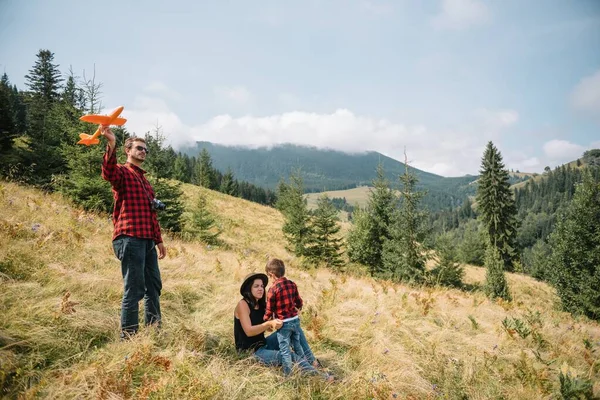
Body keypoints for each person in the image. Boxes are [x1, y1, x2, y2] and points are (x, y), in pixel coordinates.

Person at [100, 127, 166, 339]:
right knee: (134, 289)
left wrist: (159, 241)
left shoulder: (145, 182)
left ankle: (153, 331)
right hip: (129, 238)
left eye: (145, 149)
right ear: (128, 151)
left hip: (147, 241)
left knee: (154, 287)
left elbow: (151, 214)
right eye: (139, 148)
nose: (143, 151)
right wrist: (111, 143)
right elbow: (108, 172)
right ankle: (128, 337)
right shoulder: (122, 173)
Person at [234, 272, 327, 377]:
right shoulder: (243, 304)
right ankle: (321, 377)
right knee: (289, 355)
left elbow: (269, 327)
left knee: (294, 329)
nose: (260, 289)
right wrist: (269, 323)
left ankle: (312, 362)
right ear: (248, 288)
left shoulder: (261, 305)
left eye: (262, 286)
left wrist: (289, 315)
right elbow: (249, 331)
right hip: (250, 353)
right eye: (256, 286)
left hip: (263, 344)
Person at [263, 258, 321, 375]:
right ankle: (306, 366)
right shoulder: (292, 284)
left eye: (269, 277)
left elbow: (269, 309)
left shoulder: (272, 289)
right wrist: (298, 308)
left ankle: (288, 374)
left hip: (283, 324)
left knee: (285, 351)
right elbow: (299, 301)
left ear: (271, 274)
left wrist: (265, 320)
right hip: (295, 321)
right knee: (297, 345)